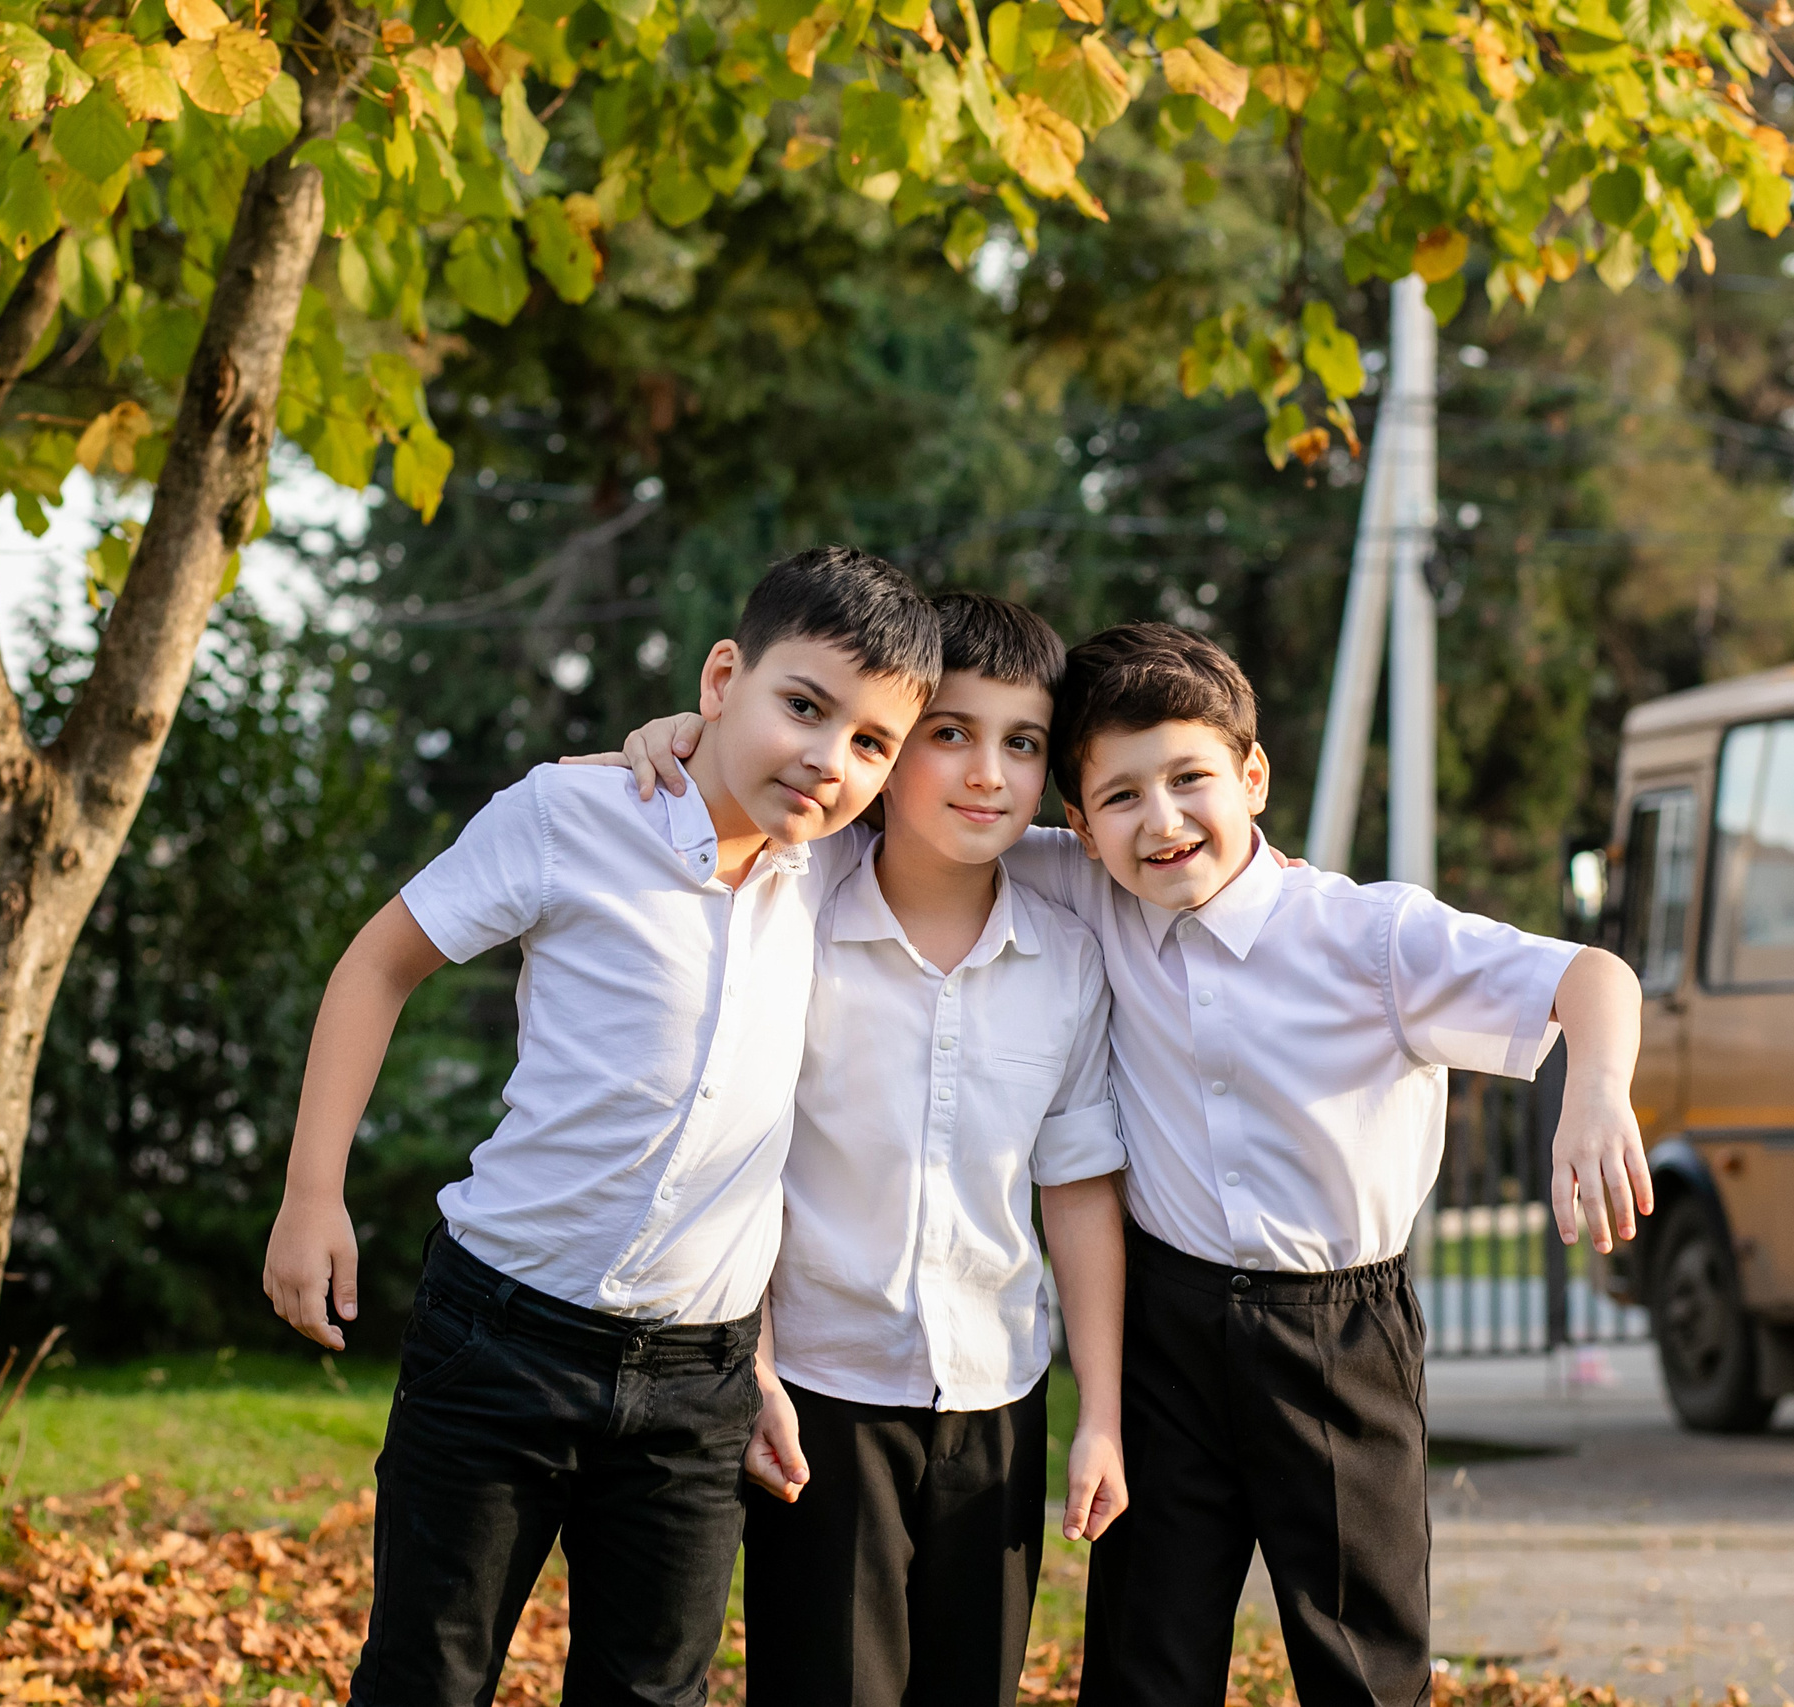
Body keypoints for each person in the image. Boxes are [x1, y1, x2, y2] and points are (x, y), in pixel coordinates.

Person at [609, 618, 1651, 1707]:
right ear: (1078, 821)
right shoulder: (1086, 880)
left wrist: (1595, 1089)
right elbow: (900, 809)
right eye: (1119, 798)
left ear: (1251, 775)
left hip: (1337, 1335)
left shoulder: (1368, 937)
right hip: (1171, 1329)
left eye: (1191, 779)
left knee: (1359, 1653)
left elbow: (1594, 977)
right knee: (1146, 1655)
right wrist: (693, 734)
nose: (1160, 822)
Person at [260, 546, 942, 1707]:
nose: (830, 759)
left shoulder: (836, 871)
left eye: (871, 742)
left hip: (697, 1382)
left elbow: (1001, 842)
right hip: (501, 1336)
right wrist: (311, 1194)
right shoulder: (573, 814)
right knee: (427, 1675)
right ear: (723, 676)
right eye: (803, 707)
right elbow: (378, 965)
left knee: (649, 1694)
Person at [736, 593, 1129, 1707]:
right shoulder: (791, 912)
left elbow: (1079, 1191)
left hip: (998, 1401)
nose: (985, 775)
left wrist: (1096, 1413)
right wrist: (756, 1369)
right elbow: (745, 1158)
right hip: (821, 1394)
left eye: (1021, 744)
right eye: (948, 734)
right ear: (888, 743)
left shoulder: (1068, 956)